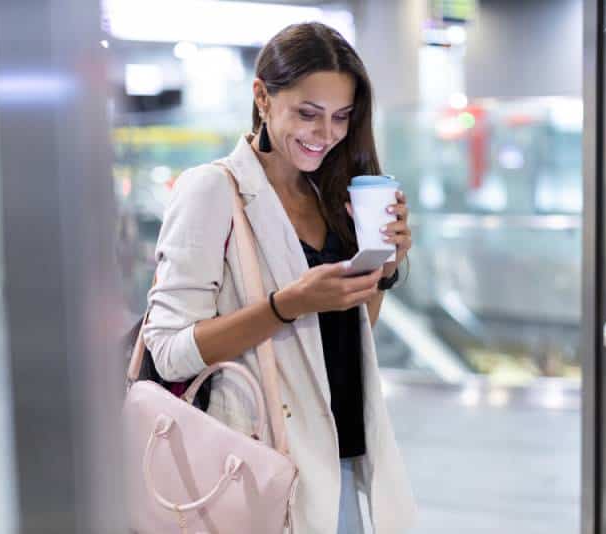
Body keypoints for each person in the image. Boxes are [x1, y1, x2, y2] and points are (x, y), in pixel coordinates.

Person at [143, 22, 417, 534]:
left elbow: (344, 342)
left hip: (345, 458)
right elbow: (169, 350)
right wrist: (284, 305)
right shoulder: (211, 190)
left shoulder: (332, 196)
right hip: (257, 466)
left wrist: (379, 269)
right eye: (307, 114)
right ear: (262, 98)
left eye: (341, 117)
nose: (325, 134)